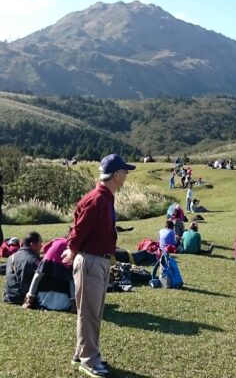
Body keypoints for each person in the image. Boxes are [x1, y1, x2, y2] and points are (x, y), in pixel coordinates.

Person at [62, 154, 135, 377]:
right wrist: (72, 250)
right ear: (115, 175)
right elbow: (78, 229)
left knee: (93, 311)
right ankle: (89, 360)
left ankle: (81, 353)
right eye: (124, 171)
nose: (126, 174)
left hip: (98, 260)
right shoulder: (97, 199)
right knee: (89, 313)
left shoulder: (105, 197)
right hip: (90, 260)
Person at [3, 232, 43, 304]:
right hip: (23, 298)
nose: (41, 246)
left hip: (9, 296)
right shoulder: (33, 260)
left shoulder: (11, 257)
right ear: (32, 244)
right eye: (40, 243)